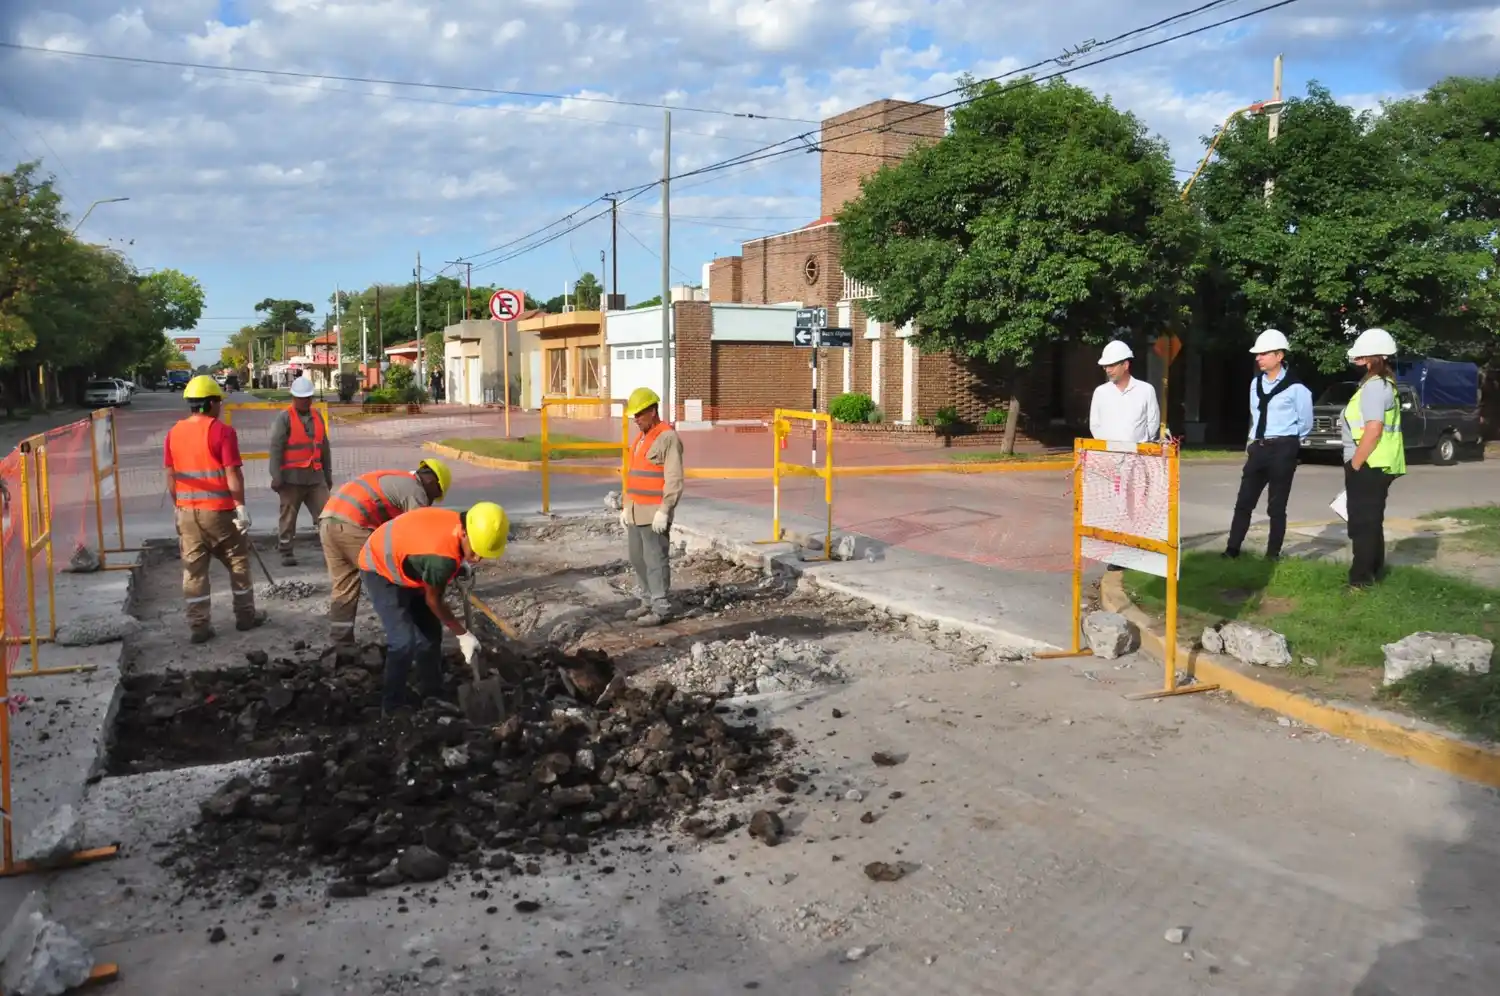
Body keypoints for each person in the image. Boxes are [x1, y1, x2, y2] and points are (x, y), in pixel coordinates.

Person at [358, 502, 508, 713]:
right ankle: (391, 707)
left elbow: (436, 556)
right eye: (475, 551)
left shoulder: (462, 525)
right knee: (403, 641)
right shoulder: (441, 559)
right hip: (379, 567)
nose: (477, 558)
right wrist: (462, 634)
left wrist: (460, 561)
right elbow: (433, 600)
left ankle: (432, 693)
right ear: (464, 533)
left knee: (430, 632)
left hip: (412, 560)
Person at [162, 375, 265, 643]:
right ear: (209, 403)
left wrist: (179, 507)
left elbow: (171, 476)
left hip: (187, 513)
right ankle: (245, 617)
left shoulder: (173, 433)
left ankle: (199, 626)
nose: (220, 406)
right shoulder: (222, 432)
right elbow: (233, 474)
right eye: (218, 401)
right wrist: (240, 506)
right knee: (237, 562)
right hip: (219, 513)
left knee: (194, 571)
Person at [318, 458, 451, 644]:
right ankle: (406, 637)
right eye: (435, 495)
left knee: (344, 586)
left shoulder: (396, 480)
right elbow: (420, 534)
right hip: (354, 525)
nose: (431, 501)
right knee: (390, 576)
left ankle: (340, 644)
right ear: (432, 481)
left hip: (328, 523)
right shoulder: (415, 490)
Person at [1223, 329, 1314, 561]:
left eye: (1263, 354)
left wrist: (1289, 442)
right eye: (1258, 354)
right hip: (1259, 447)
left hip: (1283, 448)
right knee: (1244, 501)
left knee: (1276, 506)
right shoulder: (1255, 384)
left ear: (1279, 356)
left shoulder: (1296, 388)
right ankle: (1232, 549)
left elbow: (1305, 422)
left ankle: (1272, 554)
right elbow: (1255, 415)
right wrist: (1252, 443)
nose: (1258, 358)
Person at [1342, 328, 1406, 589]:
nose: (1356, 358)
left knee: (1362, 524)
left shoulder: (1374, 387)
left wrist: (1355, 463)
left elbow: (1374, 428)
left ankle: (1360, 582)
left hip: (1369, 463)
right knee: (1371, 521)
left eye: (1362, 354)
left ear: (1374, 357)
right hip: (1377, 463)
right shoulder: (1381, 384)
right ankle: (1374, 572)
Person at [619, 387, 685, 627]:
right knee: (637, 558)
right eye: (633, 415)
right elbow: (633, 474)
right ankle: (646, 601)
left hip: (654, 512)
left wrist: (665, 509)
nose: (636, 419)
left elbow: (674, 477)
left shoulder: (667, 438)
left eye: (639, 414)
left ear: (653, 410)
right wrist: (626, 506)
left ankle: (661, 607)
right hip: (637, 510)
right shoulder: (641, 438)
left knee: (655, 559)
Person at [269, 376, 332, 566]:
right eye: (302, 397)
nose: (305, 401)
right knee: (288, 516)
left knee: (327, 515)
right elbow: (276, 448)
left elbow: (324, 448)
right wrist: (276, 476)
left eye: (308, 397)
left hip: (315, 478)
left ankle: (332, 549)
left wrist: (328, 476)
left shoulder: (317, 417)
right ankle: (286, 550)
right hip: (291, 479)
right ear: (294, 397)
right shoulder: (284, 418)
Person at [1088, 340, 1160, 443]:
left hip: (1137, 456)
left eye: (1112, 365)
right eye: (1105, 366)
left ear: (1125, 365)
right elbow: (1095, 425)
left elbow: (1153, 423)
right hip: (1107, 456)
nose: (1108, 370)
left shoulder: (1146, 390)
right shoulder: (1100, 392)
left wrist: (1141, 444)